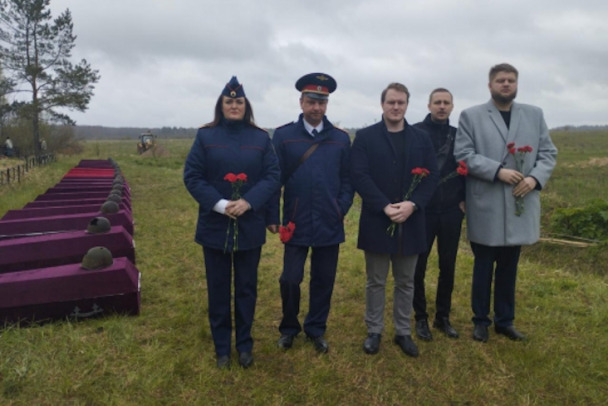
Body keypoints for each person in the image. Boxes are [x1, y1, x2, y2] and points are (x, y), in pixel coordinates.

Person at [454, 63, 557, 342]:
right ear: (490, 85)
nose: (506, 84)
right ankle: (480, 321)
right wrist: (497, 171)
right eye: (500, 80)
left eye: (511, 80)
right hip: (486, 203)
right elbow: (463, 154)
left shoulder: (534, 115)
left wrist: (535, 179)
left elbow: (548, 153)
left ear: (517, 84)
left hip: (518, 204)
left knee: (509, 266)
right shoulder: (472, 116)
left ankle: (505, 320)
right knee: (484, 265)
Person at [184, 76, 280, 368]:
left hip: (249, 225)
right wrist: (221, 204)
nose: (234, 106)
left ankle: (245, 344)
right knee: (218, 289)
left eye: (239, 101)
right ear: (221, 105)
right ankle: (222, 348)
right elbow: (193, 176)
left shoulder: (261, 138)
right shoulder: (205, 137)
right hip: (215, 227)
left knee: (247, 288)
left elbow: (272, 176)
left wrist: (249, 201)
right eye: (229, 101)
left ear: (246, 105)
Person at [350, 82, 438, 358]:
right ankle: (374, 330)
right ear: (382, 104)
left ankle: (403, 331)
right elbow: (359, 176)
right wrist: (384, 207)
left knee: (406, 281)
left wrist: (413, 204)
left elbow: (431, 177)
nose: (396, 107)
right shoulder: (365, 137)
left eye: (401, 102)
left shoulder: (421, 139)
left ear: (407, 105)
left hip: (411, 220)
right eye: (391, 102)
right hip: (378, 219)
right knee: (375, 280)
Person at [268, 73, 353, 354]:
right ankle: (289, 328)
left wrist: (341, 208)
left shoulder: (340, 139)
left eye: (322, 102)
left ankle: (316, 328)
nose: (317, 108)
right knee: (290, 279)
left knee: (323, 280)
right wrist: (273, 216)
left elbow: (348, 180)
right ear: (301, 102)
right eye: (312, 101)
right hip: (296, 220)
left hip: (330, 221)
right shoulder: (284, 136)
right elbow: (273, 179)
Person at [412, 88, 465, 341]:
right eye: (437, 102)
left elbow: (468, 167)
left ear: (452, 107)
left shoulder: (459, 136)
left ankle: (443, 317)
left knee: (448, 265)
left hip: (451, 211)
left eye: (446, 103)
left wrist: (464, 198)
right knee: (417, 266)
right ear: (429, 105)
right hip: (422, 211)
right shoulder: (414, 133)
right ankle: (420, 317)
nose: (442, 107)